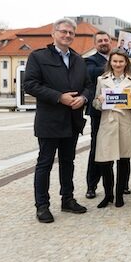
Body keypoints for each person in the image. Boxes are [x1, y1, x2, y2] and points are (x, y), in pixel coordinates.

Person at [24, 18, 91, 223]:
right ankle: (42, 205)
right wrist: (59, 96)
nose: (67, 35)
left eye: (71, 33)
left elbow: (88, 85)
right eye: (63, 32)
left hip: (72, 120)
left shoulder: (79, 60)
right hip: (49, 120)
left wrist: (84, 98)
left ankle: (67, 199)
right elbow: (30, 84)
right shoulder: (38, 57)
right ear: (54, 34)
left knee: (67, 162)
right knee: (45, 163)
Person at [92, 50, 131, 208]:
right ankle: (108, 195)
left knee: (124, 160)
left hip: (125, 123)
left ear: (126, 63)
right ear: (110, 62)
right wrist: (99, 100)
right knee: (105, 161)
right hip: (108, 122)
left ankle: (119, 194)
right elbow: (96, 104)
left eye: (121, 61)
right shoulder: (101, 79)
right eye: (115, 61)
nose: (118, 64)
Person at [84, 30, 112, 200]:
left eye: (106, 40)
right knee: (97, 148)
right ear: (95, 44)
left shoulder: (122, 59)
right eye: (100, 40)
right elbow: (92, 74)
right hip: (99, 111)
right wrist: (118, 65)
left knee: (121, 149)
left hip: (120, 109)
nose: (103, 42)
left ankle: (121, 186)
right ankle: (91, 185)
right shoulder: (89, 61)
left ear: (111, 42)